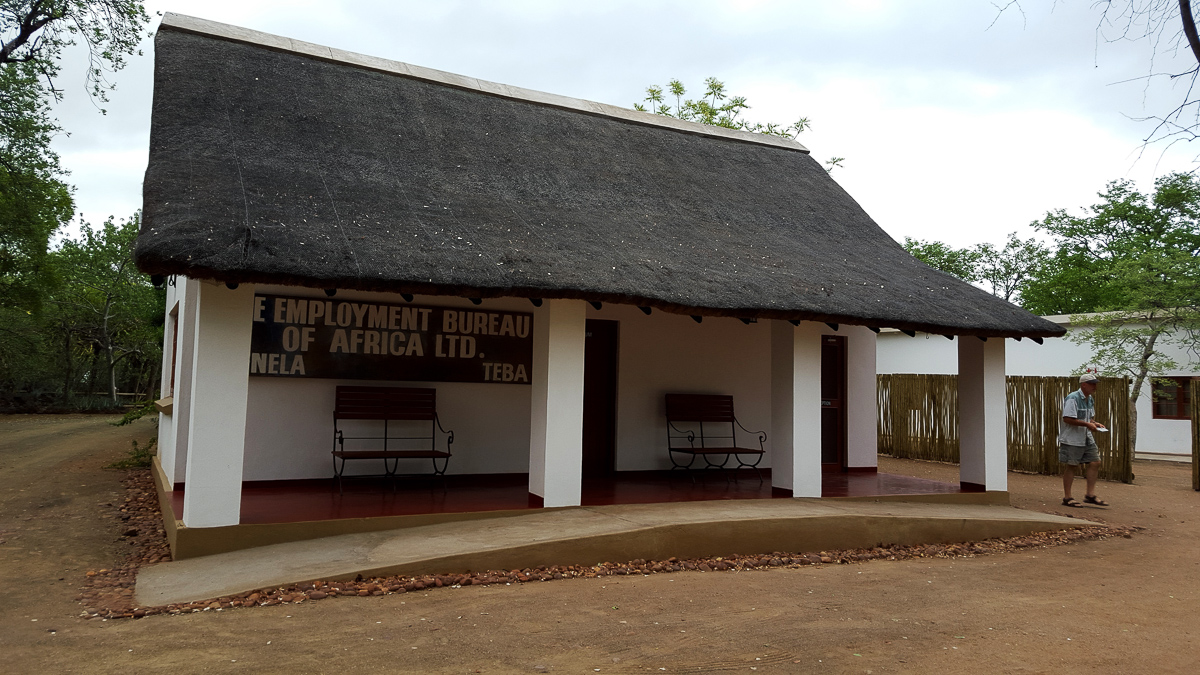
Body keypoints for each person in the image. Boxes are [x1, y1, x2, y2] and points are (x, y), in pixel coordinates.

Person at [1058, 373, 1109, 507]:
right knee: (1072, 465)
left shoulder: (1090, 399)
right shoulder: (1073, 398)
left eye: (1095, 384)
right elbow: (1067, 418)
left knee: (1095, 462)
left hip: (1086, 436)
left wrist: (1095, 423)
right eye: (1092, 384)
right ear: (1084, 385)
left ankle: (1090, 495)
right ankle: (1067, 497)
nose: (1095, 386)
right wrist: (1087, 424)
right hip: (1072, 438)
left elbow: (1089, 418)